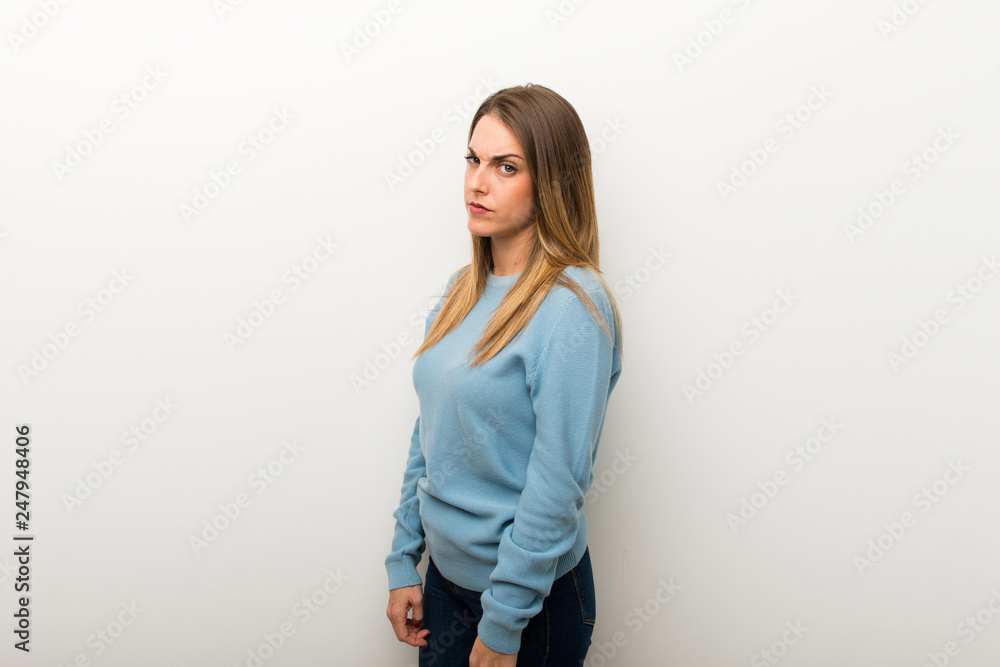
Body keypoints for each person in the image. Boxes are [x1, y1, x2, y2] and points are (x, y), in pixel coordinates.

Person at [385, 83, 623, 667]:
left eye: (506, 166)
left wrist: (503, 623)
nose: (477, 182)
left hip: (529, 604)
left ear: (553, 183)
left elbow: (558, 483)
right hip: (443, 584)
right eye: (473, 159)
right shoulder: (459, 293)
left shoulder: (573, 306)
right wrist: (403, 558)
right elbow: (430, 434)